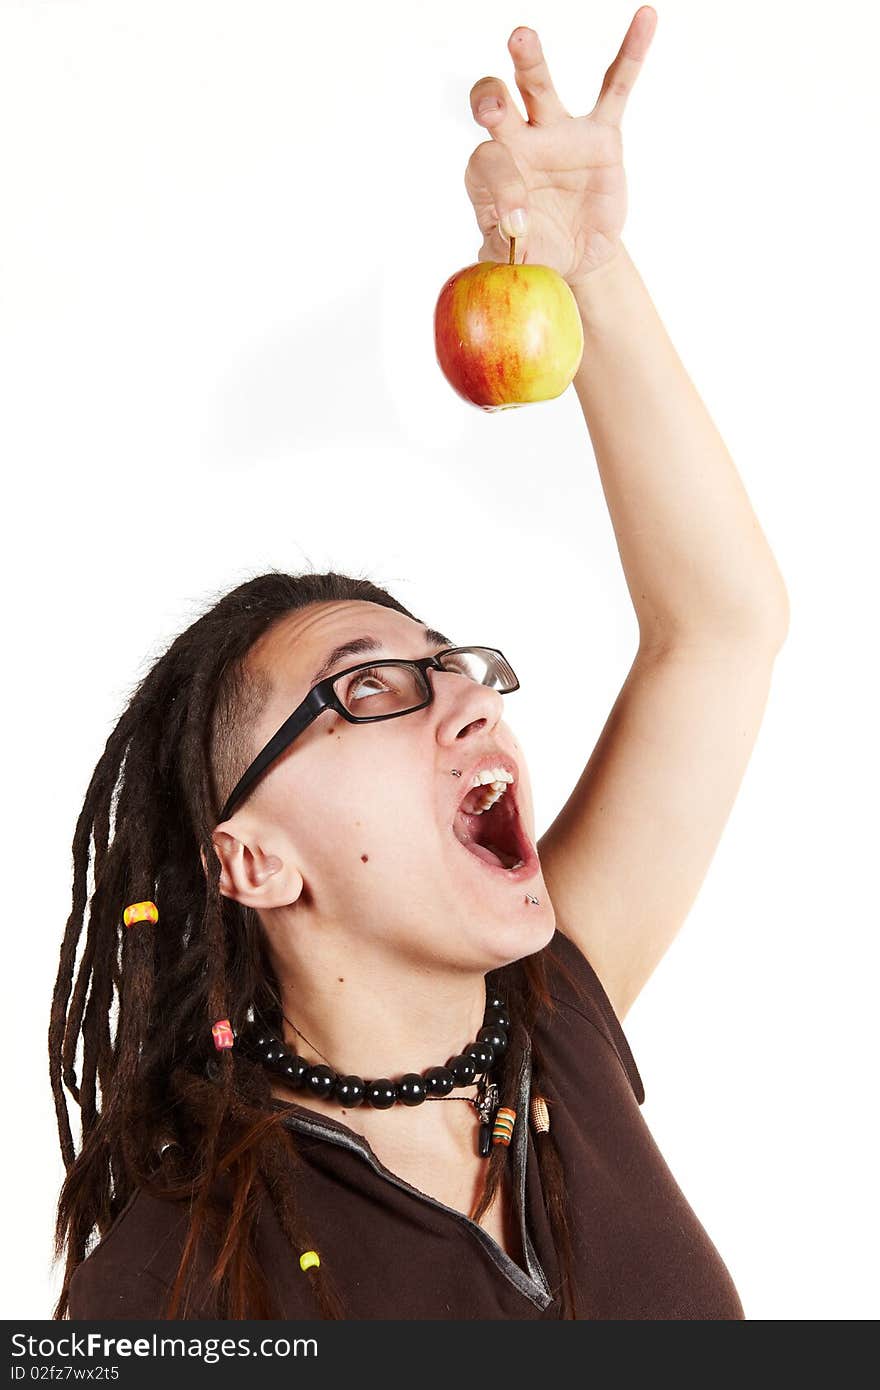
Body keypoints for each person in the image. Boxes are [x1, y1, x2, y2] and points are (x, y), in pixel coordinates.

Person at [50, 13, 789, 1321]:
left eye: (453, 664)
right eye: (370, 685)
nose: (465, 694)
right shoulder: (166, 1288)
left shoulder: (553, 1014)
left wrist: (588, 271)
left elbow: (723, 626)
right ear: (253, 858)